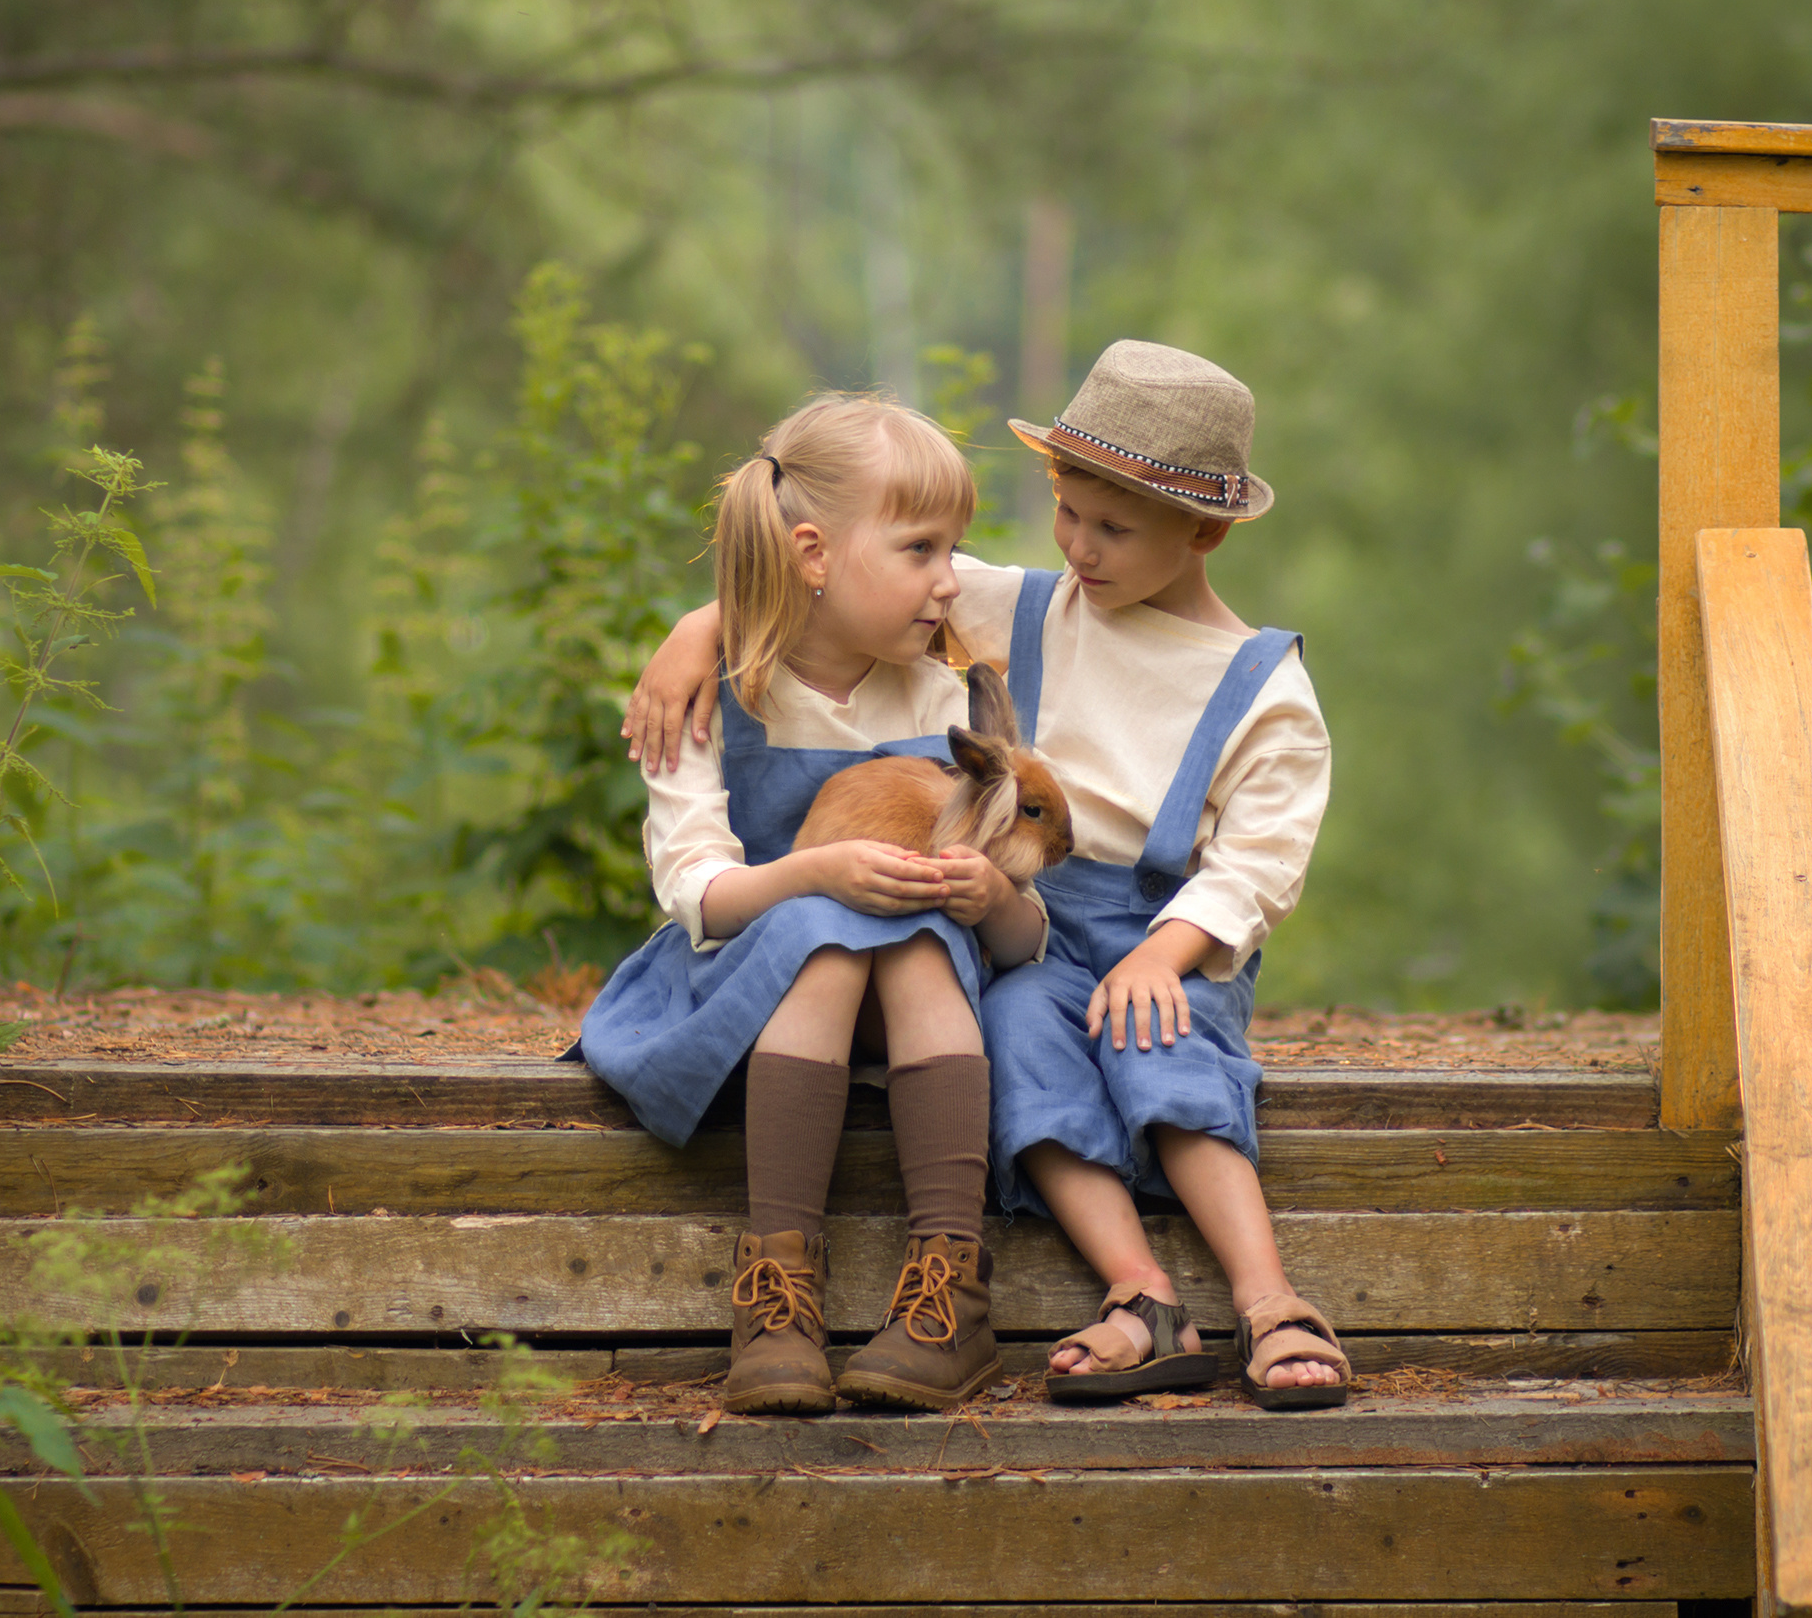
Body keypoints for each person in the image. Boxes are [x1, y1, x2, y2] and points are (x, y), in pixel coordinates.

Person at [624, 343, 1351, 1409]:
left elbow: (1255, 865)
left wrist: (1165, 950)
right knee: (1021, 1042)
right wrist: (701, 628)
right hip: (1020, 928)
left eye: (1112, 528)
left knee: (1164, 1049)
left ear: (1205, 531)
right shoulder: (1028, 607)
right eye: (1066, 513)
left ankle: (1268, 1297)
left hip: (1160, 936)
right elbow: (831, 580)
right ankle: (1139, 1291)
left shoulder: (1263, 686)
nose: (1078, 547)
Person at [579, 393, 1047, 1418]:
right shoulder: (721, 699)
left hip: (917, 990)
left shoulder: (945, 699)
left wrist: (990, 893)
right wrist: (816, 875)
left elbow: (1020, 938)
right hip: (748, 981)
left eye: (954, 550)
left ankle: (947, 1291)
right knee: (830, 937)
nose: (949, 579)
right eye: (921, 549)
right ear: (812, 553)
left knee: (918, 934)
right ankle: (779, 1296)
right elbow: (699, 895)